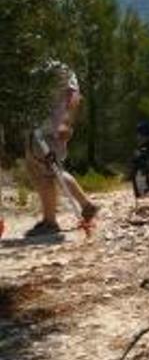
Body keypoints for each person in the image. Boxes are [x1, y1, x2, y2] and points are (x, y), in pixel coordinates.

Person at [23, 61, 98, 238]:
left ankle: (51, 221)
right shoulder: (38, 65)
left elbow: (74, 96)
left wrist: (66, 123)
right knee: (49, 170)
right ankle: (84, 205)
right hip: (40, 129)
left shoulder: (55, 67)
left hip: (49, 130)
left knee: (48, 172)